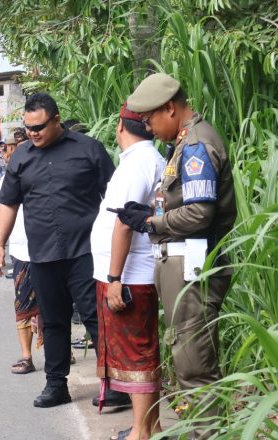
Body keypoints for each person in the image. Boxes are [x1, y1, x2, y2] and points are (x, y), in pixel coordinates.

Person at [122, 73, 236, 434]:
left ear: (170, 108)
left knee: (194, 366)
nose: (149, 127)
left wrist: (151, 223)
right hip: (181, 262)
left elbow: (200, 213)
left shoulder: (197, 145)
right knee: (187, 358)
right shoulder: (185, 143)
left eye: (151, 119)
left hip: (193, 264)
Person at [0, 92, 117, 408]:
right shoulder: (20, 158)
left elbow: (116, 200)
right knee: (53, 320)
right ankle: (56, 385)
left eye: (39, 127)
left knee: (95, 317)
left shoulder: (89, 151)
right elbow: (8, 204)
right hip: (42, 255)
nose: (33, 134)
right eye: (28, 128)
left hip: (85, 253)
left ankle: (115, 384)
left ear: (57, 120)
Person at [90, 104, 166, 440]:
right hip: (133, 270)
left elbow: (125, 220)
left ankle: (140, 432)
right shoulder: (144, 160)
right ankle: (151, 426)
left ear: (120, 126)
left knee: (137, 354)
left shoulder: (138, 163)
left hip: (131, 274)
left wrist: (115, 278)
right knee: (141, 351)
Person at [0, 136, 41, 374]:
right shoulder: (8, 179)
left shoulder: (47, 172)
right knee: (22, 303)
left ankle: (61, 352)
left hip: (51, 251)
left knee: (57, 304)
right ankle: (26, 356)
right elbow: (1, 213)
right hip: (22, 250)